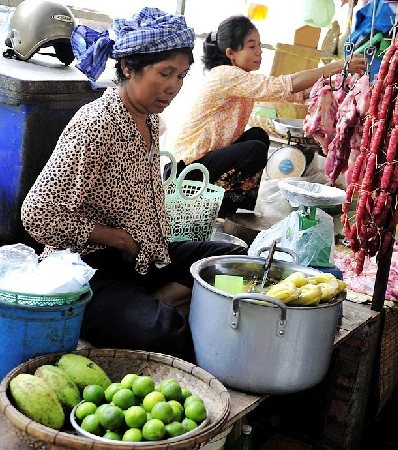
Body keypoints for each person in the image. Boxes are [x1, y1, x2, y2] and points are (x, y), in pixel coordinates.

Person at [21, 7, 246, 362]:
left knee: (233, 260)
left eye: (182, 76)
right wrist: (116, 238)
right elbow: (37, 215)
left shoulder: (148, 118)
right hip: (91, 272)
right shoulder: (96, 125)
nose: (173, 87)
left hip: (144, 259)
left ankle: (158, 300)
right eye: (165, 73)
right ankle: (158, 317)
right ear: (128, 67)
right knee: (164, 330)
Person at [172, 15, 366, 217]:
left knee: (258, 136)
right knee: (254, 148)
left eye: (259, 45)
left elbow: (291, 94)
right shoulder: (225, 75)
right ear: (231, 53)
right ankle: (221, 208)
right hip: (186, 170)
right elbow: (284, 85)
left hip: (206, 163)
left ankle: (234, 206)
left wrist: (332, 88)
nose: (259, 52)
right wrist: (338, 66)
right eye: (251, 46)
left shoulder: (240, 78)